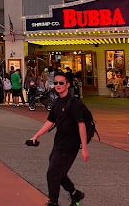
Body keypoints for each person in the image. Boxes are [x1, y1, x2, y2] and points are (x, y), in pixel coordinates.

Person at [29, 74, 88, 206]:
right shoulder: (57, 102)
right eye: (56, 83)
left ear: (68, 85)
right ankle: (75, 194)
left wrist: (84, 148)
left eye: (61, 83)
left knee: (52, 173)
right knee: (58, 172)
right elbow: (50, 122)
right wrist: (36, 136)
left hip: (71, 144)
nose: (58, 85)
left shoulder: (74, 102)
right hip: (59, 142)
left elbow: (81, 124)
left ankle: (53, 202)